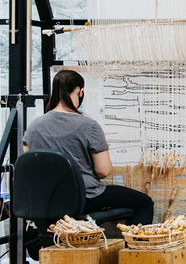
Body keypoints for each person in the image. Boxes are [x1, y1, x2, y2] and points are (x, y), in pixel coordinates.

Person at [23, 69, 154, 225]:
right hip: (85, 197)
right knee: (144, 202)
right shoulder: (88, 125)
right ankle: (133, 247)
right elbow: (103, 170)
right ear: (79, 91)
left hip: (47, 200)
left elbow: (31, 166)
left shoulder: (34, 126)